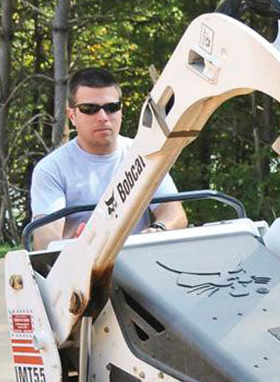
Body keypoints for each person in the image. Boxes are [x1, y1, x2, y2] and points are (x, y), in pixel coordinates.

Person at [29, 67, 187, 247]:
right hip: (81, 269)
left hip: (139, 261)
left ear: (121, 111)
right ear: (72, 115)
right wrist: (72, 248)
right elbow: (45, 238)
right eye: (90, 109)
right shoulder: (51, 169)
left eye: (111, 107)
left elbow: (174, 213)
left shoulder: (145, 155)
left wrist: (157, 230)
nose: (103, 117)